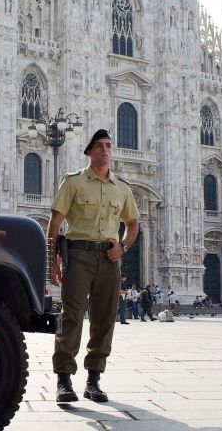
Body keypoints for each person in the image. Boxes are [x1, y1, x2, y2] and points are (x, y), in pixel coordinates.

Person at [47, 128, 139, 403]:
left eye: (108, 145)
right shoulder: (73, 182)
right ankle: (64, 380)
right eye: (99, 145)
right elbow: (54, 224)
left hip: (109, 259)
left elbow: (133, 225)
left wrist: (122, 247)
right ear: (89, 151)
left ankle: (93, 380)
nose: (104, 149)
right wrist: (51, 261)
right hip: (78, 255)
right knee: (72, 317)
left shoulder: (121, 188)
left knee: (104, 320)